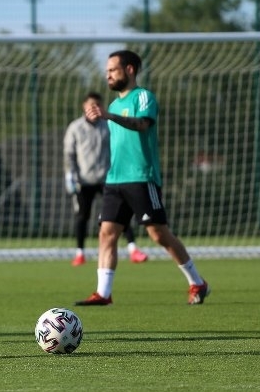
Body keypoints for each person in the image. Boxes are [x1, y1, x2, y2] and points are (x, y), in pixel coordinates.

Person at [75, 50, 210, 306]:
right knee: (107, 233)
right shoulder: (113, 105)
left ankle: (197, 282)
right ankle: (103, 293)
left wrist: (109, 116)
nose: (108, 75)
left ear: (129, 70)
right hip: (115, 179)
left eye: (113, 70)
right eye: (106, 71)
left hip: (142, 177)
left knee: (158, 234)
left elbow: (143, 124)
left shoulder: (143, 97)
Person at [63, 91, 148, 267]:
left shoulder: (108, 125)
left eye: (98, 105)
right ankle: (80, 253)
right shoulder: (75, 127)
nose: (94, 108)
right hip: (83, 180)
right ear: (84, 106)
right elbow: (69, 154)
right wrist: (70, 175)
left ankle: (133, 249)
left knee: (120, 214)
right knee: (82, 216)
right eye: (91, 105)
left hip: (107, 178)